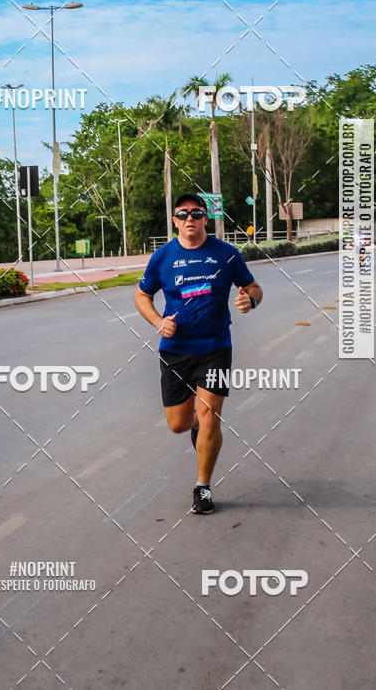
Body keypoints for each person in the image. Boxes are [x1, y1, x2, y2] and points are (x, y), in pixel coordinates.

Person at [134, 192, 263, 514]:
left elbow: (254, 287)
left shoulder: (227, 254)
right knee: (178, 424)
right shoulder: (162, 257)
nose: (189, 218)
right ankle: (196, 427)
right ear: (174, 221)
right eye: (183, 214)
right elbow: (142, 295)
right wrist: (158, 321)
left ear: (206, 218)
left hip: (215, 348)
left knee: (210, 416)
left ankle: (202, 488)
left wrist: (250, 300)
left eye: (195, 213)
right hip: (175, 350)